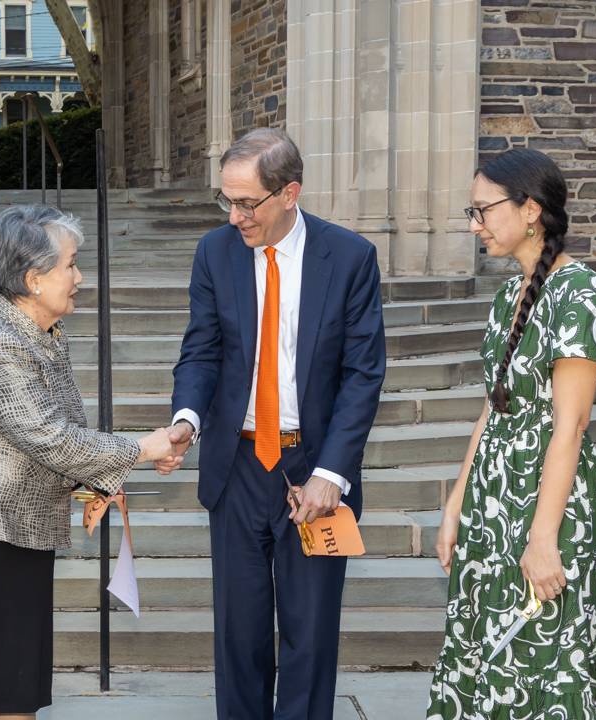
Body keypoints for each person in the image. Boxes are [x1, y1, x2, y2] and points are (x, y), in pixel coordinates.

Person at [156, 128, 386, 719]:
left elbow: (363, 374)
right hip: (235, 469)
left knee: (309, 640)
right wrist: (186, 420)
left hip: (312, 469)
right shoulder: (215, 253)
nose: (234, 216)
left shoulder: (351, 258)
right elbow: (201, 352)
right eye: (226, 201)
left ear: (290, 193)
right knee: (239, 637)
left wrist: (333, 473)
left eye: (246, 202)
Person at [0, 204, 176, 720]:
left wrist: (100, 475)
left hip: (23, 530)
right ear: (34, 278)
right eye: (71, 264)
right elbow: (47, 437)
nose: (80, 276)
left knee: (20, 689)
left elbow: (58, 438)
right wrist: (141, 449)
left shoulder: (40, 332)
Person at [425, 148, 596, 719]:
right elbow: (493, 408)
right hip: (493, 499)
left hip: (551, 503)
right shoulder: (509, 295)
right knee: (489, 650)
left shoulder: (584, 295)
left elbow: (569, 427)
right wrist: (455, 504)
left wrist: (544, 538)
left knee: (547, 653)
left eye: (482, 211)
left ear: (530, 209)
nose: (474, 226)